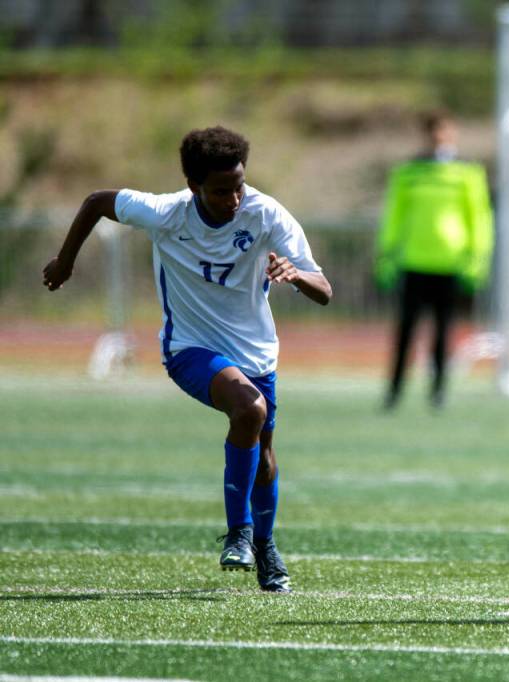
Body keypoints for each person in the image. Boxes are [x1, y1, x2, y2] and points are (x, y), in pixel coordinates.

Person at [42, 126, 332, 594]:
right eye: (221, 191)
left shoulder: (265, 213)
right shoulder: (167, 213)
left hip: (256, 351)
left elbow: (324, 291)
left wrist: (295, 274)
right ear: (195, 186)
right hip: (189, 348)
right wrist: (66, 261)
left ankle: (265, 546)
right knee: (250, 409)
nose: (234, 199)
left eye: (238, 186)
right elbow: (97, 200)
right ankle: (238, 534)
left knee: (265, 456)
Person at [375, 110, 494, 410]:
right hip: (413, 261)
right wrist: (387, 254)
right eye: (434, 132)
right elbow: (394, 215)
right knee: (405, 330)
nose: (439, 137)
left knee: (443, 332)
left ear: (453, 134)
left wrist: (477, 258)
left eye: (445, 131)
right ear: (426, 135)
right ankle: (394, 391)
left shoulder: (468, 172)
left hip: (451, 263)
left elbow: (479, 217)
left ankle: (438, 392)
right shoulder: (408, 172)